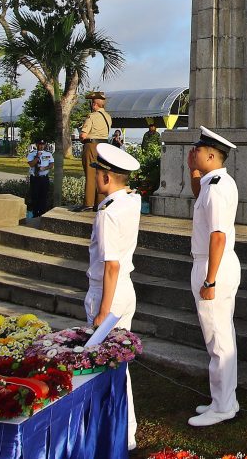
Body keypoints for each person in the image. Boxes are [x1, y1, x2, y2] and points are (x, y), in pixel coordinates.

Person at [83, 142, 141, 450]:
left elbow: (111, 265)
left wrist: (103, 310)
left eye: (98, 175)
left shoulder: (107, 212)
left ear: (105, 178)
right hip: (124, 290)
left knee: (109, 365)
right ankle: (125, 428)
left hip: (108, 292)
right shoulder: (130, 201)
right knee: (119, 363)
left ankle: (122, 433)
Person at [186, 126, 241, 427]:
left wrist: (210, 280)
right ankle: (223, 399)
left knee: (218, 341)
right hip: (214, 264)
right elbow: (200, 200)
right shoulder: (213, 181)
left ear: (210, 155)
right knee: (220, 338)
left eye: (197, 150)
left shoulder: (217, 186)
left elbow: (218, 235)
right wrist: (193, 172)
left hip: (213, 265)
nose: (192, 153)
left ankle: (223, 406)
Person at [77, 92, 112, 212]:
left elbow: (83, 135)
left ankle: (88, 203)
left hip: (92, 145)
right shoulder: (108, 117)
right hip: (104, 146)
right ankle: (100, 202)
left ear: (95, 104)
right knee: (101, 174)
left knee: (91, 174)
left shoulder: (91, 116)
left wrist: (82, 137)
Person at [26, 137, 54, 216]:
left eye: (43, 144)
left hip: (44, 178)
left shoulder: (48, 154)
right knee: (35, 196)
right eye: (40, 144)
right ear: (37, 145)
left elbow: (51, 164)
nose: (41, 146)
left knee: (43, 196)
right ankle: (35, 213)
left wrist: (45, 168)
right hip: (35, 178)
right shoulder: (32, 153)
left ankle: (42, 213)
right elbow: (31, 164)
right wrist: (37, 157)